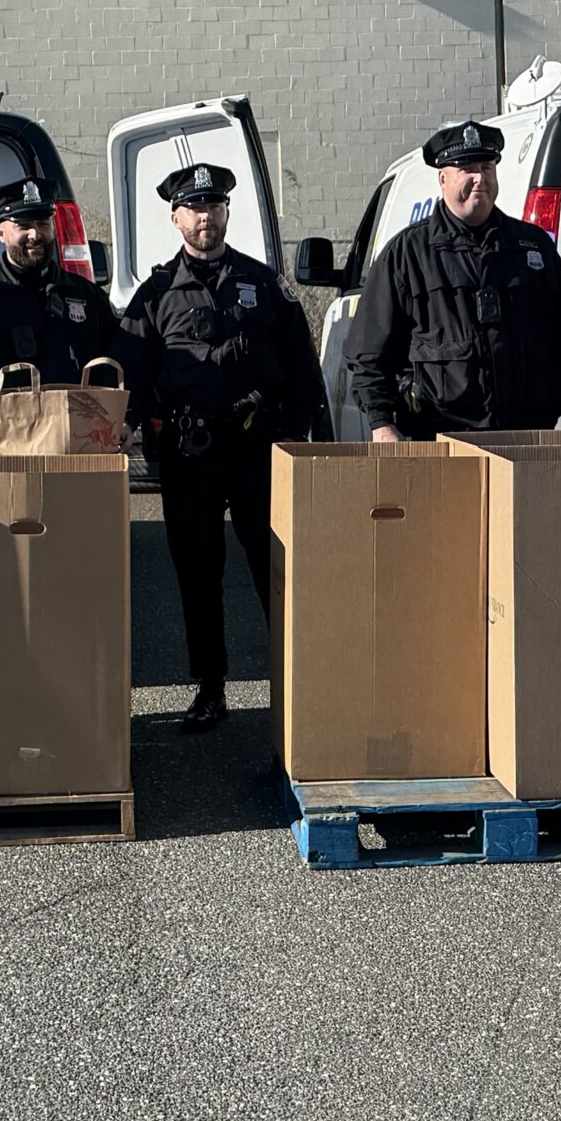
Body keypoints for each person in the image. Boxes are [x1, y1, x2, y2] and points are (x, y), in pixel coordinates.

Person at [120, 162, 328, 732]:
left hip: (257, 450)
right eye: (193, 207)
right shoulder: (156, 294)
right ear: (175, 217)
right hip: (190, 455)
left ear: (226, 213)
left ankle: (294, 685)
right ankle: (210, 689)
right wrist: (123, 426)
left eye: (213, 205)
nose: (204, 216)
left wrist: (291, 431)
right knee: (197, 571)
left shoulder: (264, 285)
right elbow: (131, 378)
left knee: (275, 567)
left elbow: (303, 373)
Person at [347, 121, 561, 441]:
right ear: (443, 178)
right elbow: (369, 354)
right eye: (466, 169)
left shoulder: (531, 247)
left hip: (528, 438)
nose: (480, 178)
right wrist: (382, 423)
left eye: (487, 167)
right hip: (439, 440)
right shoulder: (406, 254)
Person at [0, 175, 128, 448]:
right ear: (1, 232)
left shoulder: (86, 296)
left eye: (43, 224)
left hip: (76, 446)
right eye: (23, 226)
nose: (35, 235)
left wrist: (125, 417)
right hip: (2, 448)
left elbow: (121, 356)